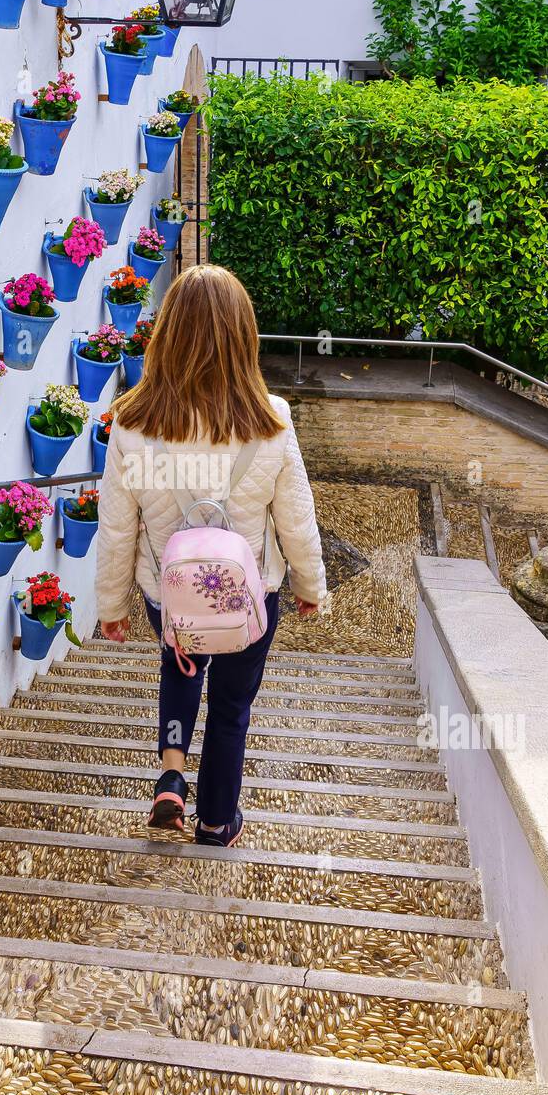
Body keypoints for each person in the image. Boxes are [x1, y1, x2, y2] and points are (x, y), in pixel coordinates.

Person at [95, 264, 327, 847]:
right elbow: (296, 518)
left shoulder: (131, 421)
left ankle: (170, 771)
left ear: (168, 334)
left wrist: (110, 604)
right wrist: (310, 586)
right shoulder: (271, 420)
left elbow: (118, 526)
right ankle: (217, 819)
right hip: (247, 599)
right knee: (230, 707)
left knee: (180, 666)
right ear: (242, 336)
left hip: (168, 594)